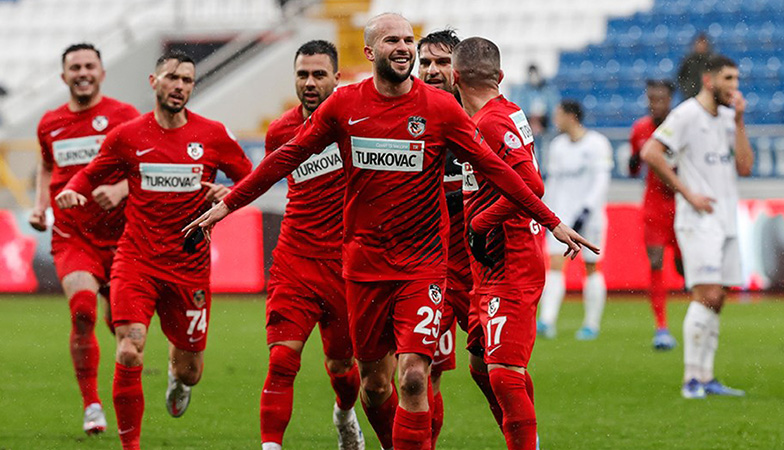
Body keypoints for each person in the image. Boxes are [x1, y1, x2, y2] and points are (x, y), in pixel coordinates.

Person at [184, 13, 596, 450]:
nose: (404, 49)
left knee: (421, 376)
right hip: (365, 268)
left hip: (426, 266)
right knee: (377, 386)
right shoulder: (345, 105)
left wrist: (552, 222)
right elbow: (286, 157)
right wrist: (228, 205)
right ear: (369, 52)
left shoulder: (443, 112)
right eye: (395, 42)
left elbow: (505, 172)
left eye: (408, 40)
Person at [55, 51, 253, 450]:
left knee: (192, 370)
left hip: (189, 267)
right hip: (137, 260)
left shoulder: (212, 134)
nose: (179, 86)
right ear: (154, 81)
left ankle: (177, 378)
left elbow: (250, 177)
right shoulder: (128, 135)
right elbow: (90, 173)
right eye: (172, 78)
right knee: (129, 347)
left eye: (187, 80)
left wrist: (229, 192)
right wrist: (72, 190)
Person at [258, 40, 364, 450]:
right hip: (295, 260)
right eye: (303, 74)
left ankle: (343, 412)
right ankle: (270, 446)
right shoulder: (280, 131)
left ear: (337, 78)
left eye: (319, 74)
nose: (310, 82)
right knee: (283, 359)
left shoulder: (355, 124)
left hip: (346, 265)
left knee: (342, 366)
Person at [29, 43, 139, 435]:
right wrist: (41, 205)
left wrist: (123, 189)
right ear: (64, 76)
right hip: (73, 235)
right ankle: (92, 404)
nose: (82, 72)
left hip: (125, 235)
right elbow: (46, 165)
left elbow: (148, 163)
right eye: (74, 67)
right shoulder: (49, 123)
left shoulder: (124, 116)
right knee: (82, 311)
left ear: (102, 72)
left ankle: (129, 382)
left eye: (89, 65)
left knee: (125, 329)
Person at [454, 36, 553, 450]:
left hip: (508, 257)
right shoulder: (509, 111)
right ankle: (523, 437)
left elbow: (532, 185)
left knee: (503, 370)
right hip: (491, 262)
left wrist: (481, 221)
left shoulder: (491, 122)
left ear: (455, 78)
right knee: (481, 364)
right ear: (500, 76)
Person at [641, 55, 753, 399]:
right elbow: (651, 151)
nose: (734, 86)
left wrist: (739, 121)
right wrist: (688, 193)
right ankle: (691, 379)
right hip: (698, 221)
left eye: (736, 80)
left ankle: (706, 376)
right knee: (706, 295)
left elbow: (745, 167)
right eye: (729, 79)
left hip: (726, 220)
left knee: (718, 299)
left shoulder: (726, 118)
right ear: (709, 80)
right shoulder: (687, 114)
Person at [417, 28, 472, 448]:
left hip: (478, 271)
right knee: (421, 371)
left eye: (442, 62)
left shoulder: (483, 119)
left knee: (495, 372)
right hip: (426, 269)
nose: (433, 71)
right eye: (426, 63)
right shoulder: (409, 120)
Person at [537, 100, 613, 341]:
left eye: (559, 115)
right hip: (561, 219)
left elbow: (601, 181)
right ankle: (547, 321)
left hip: (589, 218)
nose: (555, 120)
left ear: (572, 116)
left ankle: (591, 324)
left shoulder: (597, 144)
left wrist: (587, 210)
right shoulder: (557, 146)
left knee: (591, 268)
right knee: (556, 264)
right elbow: (554, 183)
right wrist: (545, 211)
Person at [629, 79, 683, 350]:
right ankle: (661, 327)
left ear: (670, 100)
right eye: (652, 99)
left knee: (685, 266)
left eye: (661, 99)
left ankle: (699, 316)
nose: (656, 104)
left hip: (683, 204)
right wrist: (634, 159)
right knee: (655, 261)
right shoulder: (640, 129)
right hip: (654, 206)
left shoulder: (680, 127)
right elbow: (632, 168)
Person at [508, 64, 560, 137]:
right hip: (527, 122)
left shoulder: (548, 91)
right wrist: (531, 119)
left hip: (546, 124)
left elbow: (554, 109)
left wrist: (541, 120)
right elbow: (516, 110)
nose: (534, 78)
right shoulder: (521, 91)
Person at [677, 33, 713, 100]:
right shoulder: (688, 60)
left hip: (707, 97)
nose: (701, 46)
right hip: (690, 96)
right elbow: (680, 77)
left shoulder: (713, 60)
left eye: (703, 44)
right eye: (699, 43)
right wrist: (687, 89)